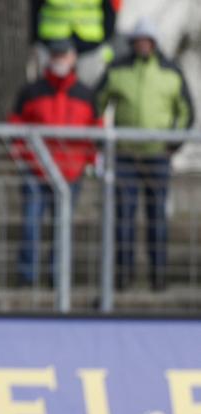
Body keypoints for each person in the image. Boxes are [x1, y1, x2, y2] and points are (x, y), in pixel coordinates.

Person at [95, 19, 194, 291]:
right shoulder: (118, 70)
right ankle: (123, 274)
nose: (142, 44)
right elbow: (97, 103)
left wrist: (173, 145)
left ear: (154, 42)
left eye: (147, 40)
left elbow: (186, 112)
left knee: (157, 219)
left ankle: (158, 275)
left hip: (157, 158)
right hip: (126, 156)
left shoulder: (171, 72)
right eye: (138, 39)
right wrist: (104, 141)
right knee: (124, 218)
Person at [8, 38, 102, 287]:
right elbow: (15, 126)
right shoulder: (31, 91)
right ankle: (26, 278)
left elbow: (96, 131)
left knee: (63, 229)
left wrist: (91, 160)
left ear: (73, 58)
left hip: (70, 173)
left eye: (64, 55)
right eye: (56, 55)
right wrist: (20, 154)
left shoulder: (86, 94)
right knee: (31, 225)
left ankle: (57, 278)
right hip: (36, 170)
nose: (59, 60)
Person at [31, 0, 121, 87]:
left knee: (87, 93)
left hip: (89, 48)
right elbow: (34, 7)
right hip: (53, 47)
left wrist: (103, 41)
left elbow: (110, 11)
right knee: (48, 91)